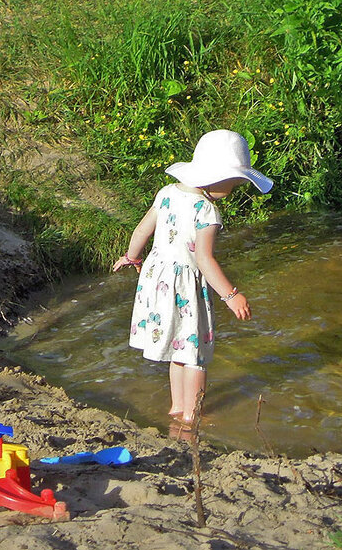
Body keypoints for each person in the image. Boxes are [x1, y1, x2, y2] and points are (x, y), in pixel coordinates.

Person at [112, 129, 272, 425]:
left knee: (178, 347)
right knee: (195, 353)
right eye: (235, 183)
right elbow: (204, 258)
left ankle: (177, 409)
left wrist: (132, 257)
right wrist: (231, 295)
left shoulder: (167, 193)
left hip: (157, 280)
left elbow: (141, 231)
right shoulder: (207, 210)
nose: (235, 189)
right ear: (216, 178)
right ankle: (193, 416)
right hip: (184, 286)